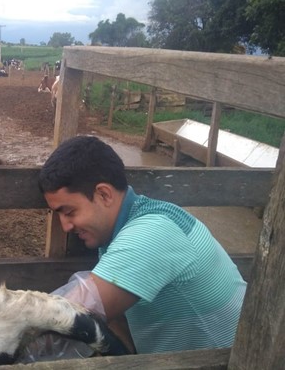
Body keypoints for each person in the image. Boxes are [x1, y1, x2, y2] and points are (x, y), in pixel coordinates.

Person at [38, 135, 247, 354]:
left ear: (103, 194)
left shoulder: (152, 234)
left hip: (234, 361)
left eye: (69, 212)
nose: (65, 226)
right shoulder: (137, 223)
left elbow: (62, 319)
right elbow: (116, 322)